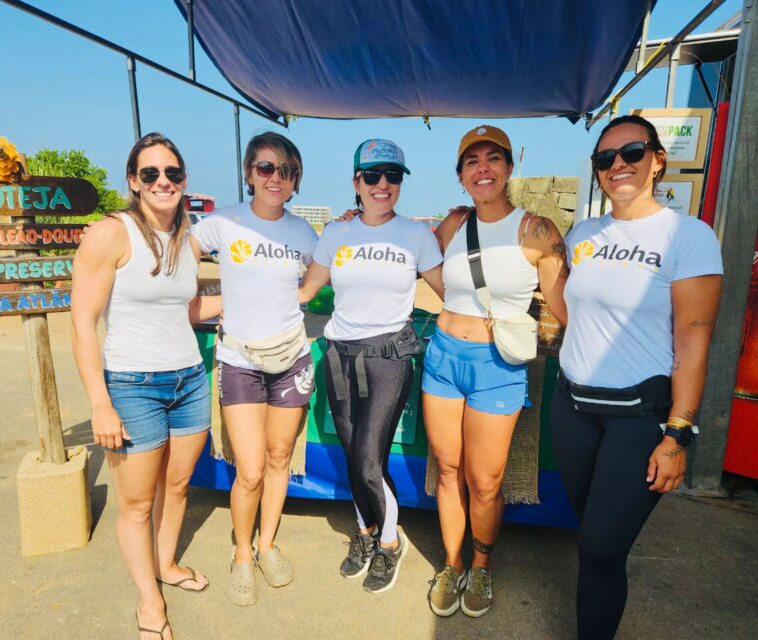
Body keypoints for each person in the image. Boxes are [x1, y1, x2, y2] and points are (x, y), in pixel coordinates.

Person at [550, 114, 723, 639]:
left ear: (657, 160)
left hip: (638, 419)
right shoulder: (584, 234)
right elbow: (571, 315)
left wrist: (678, 434)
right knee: (591, 537)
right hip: (573, 409)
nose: (617, 165)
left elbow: (693, 343)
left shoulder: (687, 236)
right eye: (605, 159)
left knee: (602, 547)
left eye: (631, 153)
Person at [423, 125, 568, 618]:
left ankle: (482, 566)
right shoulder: (453, 223)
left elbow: (566, 307)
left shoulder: (537, 230)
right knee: (447, 470)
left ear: (508, 169)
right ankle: (451, 563)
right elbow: (422, 263)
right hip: (443, 357)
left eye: (493, 159)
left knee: (485, 481)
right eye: (471, 161)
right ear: (461, 175)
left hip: (498, 365)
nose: (482, 168)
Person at [72, 132, 209, 640]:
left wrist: (262, 302)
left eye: (172, 173)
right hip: (132, 385)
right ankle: (149, 603)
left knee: (176, 487)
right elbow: (82, 322)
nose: (162, 182)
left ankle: (166, 564)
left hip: (189, 379)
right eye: (150, 174)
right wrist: (99, 404)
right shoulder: (111, 233)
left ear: (184, 180)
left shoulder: (185, 238)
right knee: (135, 503)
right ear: (133, 181)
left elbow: (186, 309)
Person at [299, 139, 444, 593]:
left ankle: (389, 543)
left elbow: (451, 293)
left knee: (367, 459)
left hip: (386, 359)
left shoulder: (417, 235)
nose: (383, 185)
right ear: (356, 182)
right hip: (339, 356)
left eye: (393, 176)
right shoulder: (336, 233)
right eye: (374, 176)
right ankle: (364, 535)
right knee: (357, 455)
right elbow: (305, 292)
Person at [190, 132, 318, 606]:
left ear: (295, 179)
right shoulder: (223, 223)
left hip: (290, 357)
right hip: (239, 359)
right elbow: (174, 257)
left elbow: (323, 275)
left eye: (284, 171)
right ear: (248, 173)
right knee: (249, 469)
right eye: (265, 168)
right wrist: (206, 304)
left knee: (280, 457)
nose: (275, 178)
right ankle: (241, 552)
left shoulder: (305, 234)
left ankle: (267, 545)